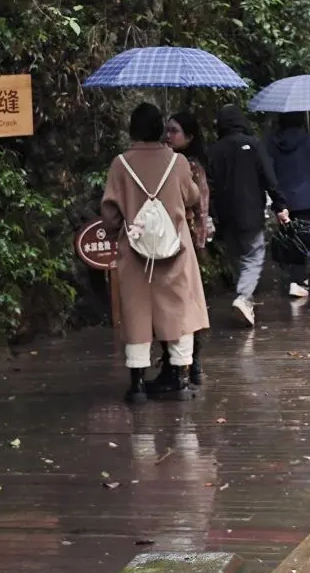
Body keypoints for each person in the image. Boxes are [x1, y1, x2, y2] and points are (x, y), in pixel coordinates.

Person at [101, 103, 209, 403]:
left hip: (135, 250)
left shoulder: (120, 164)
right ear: (160, 129)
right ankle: (182, 379)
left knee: (136, 311)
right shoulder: (177, 161)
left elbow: (110, 213)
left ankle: (137, 383)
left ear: (132, 129)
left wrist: (119, 228)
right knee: (178, 309)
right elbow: (192, 196)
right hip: (175, 248)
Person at [207, 105, 289, 327]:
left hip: (225, 215)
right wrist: (280, 205)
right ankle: (243, 297)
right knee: (254, 255)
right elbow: (268, 177)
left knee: (237, 256)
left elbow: (209, 186)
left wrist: (211, 215)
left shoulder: (214, 150)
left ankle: (245, 300)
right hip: (251, 212)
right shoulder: (253, 144)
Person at [149, 112, 213, 392]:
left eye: (174, 131)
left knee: (182, 305)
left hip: (183, 243)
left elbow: (199, 205)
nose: (168, 136)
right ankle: (182, 363)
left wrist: (198, 242)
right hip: (170, 240)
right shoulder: (170, 161)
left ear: (190, 136)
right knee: (178, 304)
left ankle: (185, 364)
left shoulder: (189, 165)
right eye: (166, 130)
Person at [266, 112, 310, 297]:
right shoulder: (307, 140)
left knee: (287, 238)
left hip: (282, 198)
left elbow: (269, 169)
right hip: (304, 197)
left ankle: (292, 276)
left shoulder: (272, 143)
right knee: (303, 238)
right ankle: (299, 279)